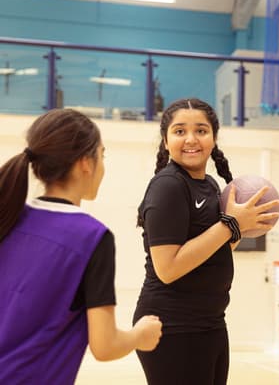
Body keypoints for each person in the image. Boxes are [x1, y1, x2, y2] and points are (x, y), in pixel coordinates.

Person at [0, 108, 162, 384]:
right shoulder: (92, 238)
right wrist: (141, 335)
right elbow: (105, 345)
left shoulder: (9, 217)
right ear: (86, 163)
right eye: (102, 154)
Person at [133, 97, 279, 385]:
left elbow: (217, 250)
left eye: (201, 130)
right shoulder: (168, 185)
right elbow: (168, 268)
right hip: (172, 327)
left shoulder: (211, 185)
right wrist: (231, 224)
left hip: (211, 323)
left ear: (214, 138)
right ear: (165, 141)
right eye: (179, 131)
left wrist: (243, 226)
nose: (191, 139)